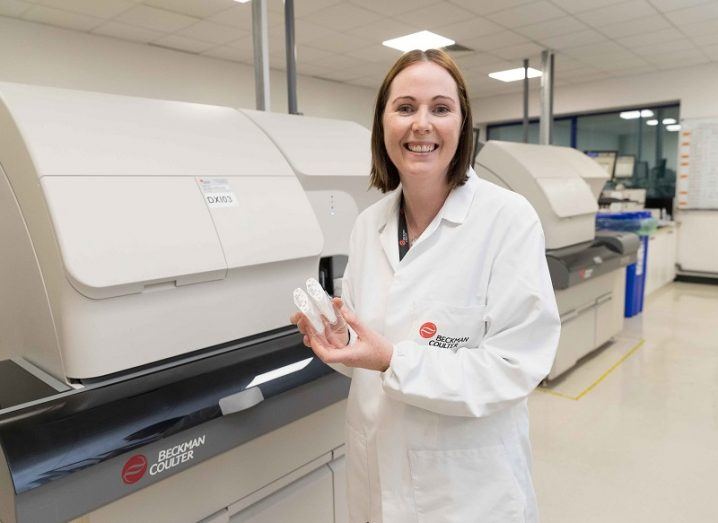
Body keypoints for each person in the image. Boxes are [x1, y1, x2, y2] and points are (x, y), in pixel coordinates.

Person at [291, 49, 560, 523]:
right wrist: (343, 344)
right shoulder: (369, 223)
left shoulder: (508, 219)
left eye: (440, 108)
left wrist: (392, 359)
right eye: (405, 107)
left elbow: (517, 366)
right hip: (378, 475)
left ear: (463, 123)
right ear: (383, 124)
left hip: (468, 490)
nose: (421, 124)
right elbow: (367, 353)